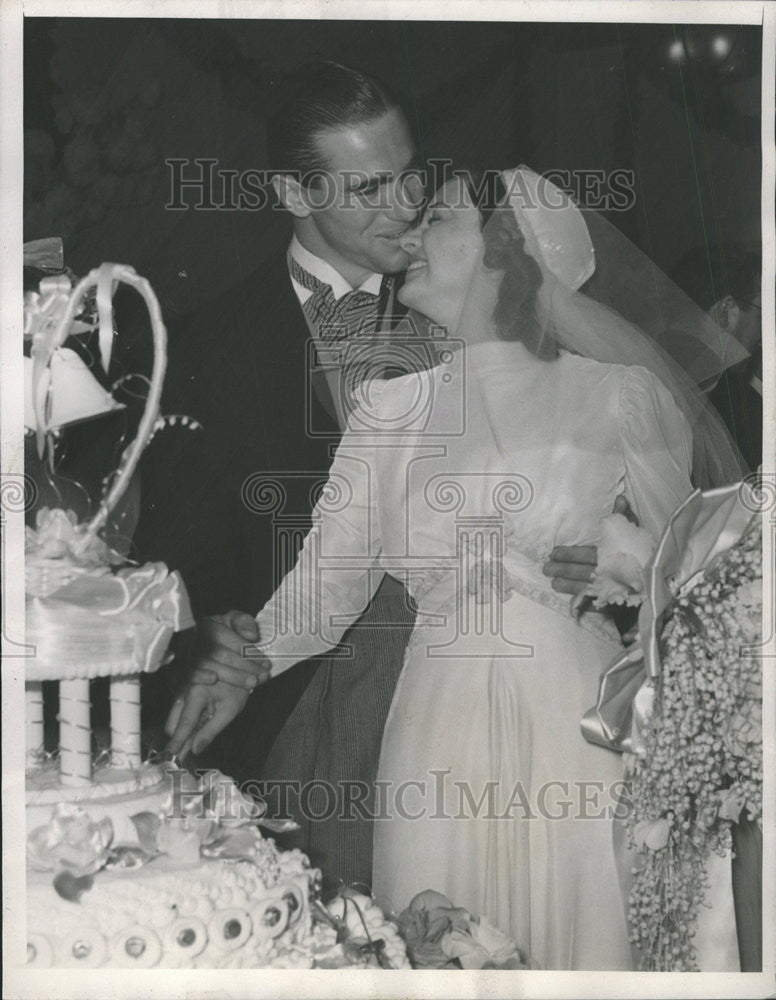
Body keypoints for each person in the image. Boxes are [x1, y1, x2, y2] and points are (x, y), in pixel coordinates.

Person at [167, 164, 703, 968]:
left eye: (439, 218)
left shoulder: (620, 395)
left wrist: (628, 576)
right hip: (434, 734)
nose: (410, 238)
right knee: (441, 947)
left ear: (508, 250)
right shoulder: (390, 410)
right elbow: (324, 586)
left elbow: (707, 584)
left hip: (575, 722)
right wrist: (235, 669)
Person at [140, 60, 425, 885]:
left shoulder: (467, 303)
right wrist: (206, 637)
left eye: (411, 174)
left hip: (453, 704)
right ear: (295, 195)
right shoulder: (204, 348)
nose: (405, 206)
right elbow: (172, 559)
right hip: (280, 723)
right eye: (370, 187)